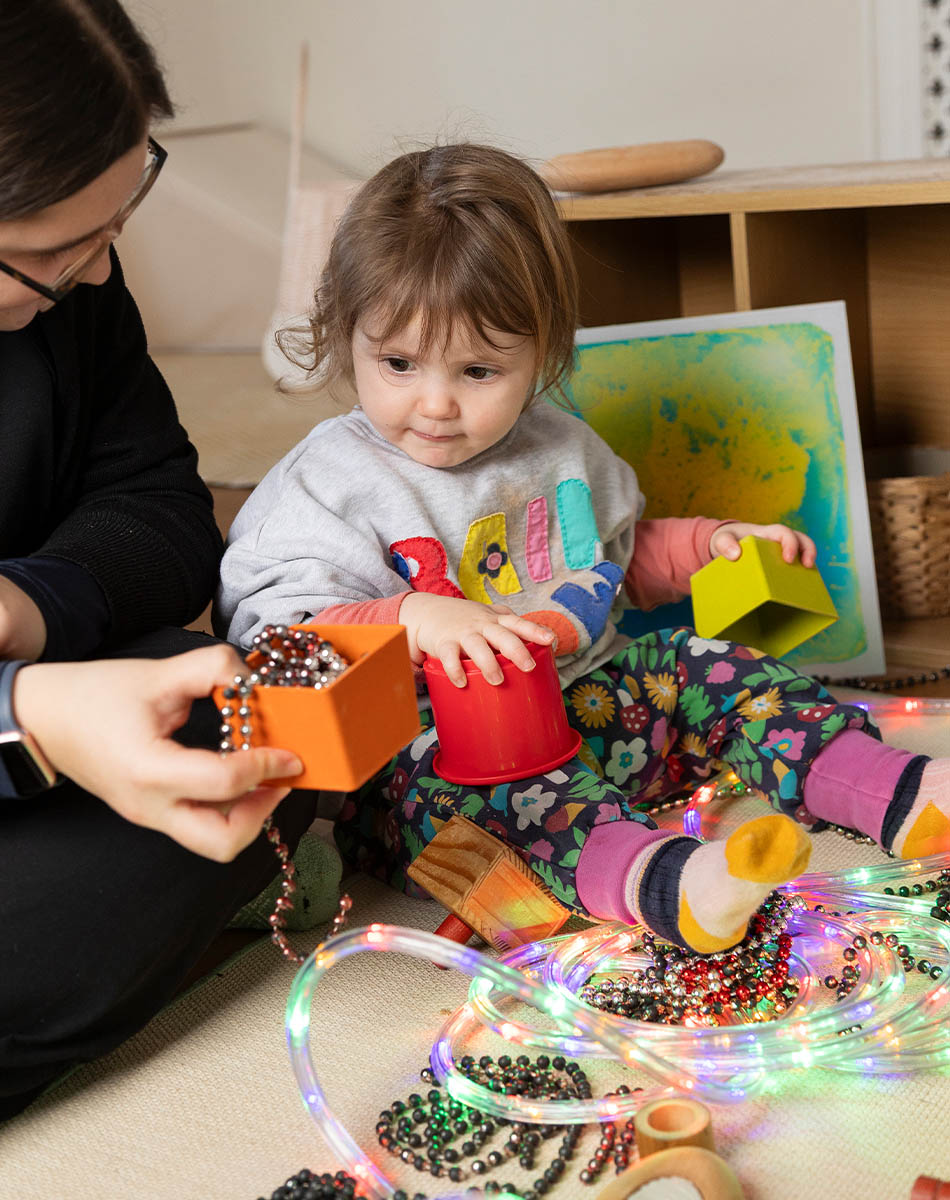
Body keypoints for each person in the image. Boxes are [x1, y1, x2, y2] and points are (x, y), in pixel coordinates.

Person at [216, 141, 945, 956]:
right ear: (343, 333)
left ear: (544, 352)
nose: (436, 402)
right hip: (436, 761)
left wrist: (716, 545)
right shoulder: (330, 482)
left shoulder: (559, 448)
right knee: (507, 804)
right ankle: (671, 884)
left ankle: (900, 791)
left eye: (480, 370)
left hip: (597, 706)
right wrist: (411, 615)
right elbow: (275, 638)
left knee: (715, 666)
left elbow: (612, 561)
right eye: (396, 362)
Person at [0, 1, 315, 1121]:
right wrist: (26, 718)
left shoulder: (71, 291)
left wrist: (33, 609)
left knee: (253, 721)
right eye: (47, 254)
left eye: (115, 222)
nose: (93, 275)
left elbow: (160, 503)